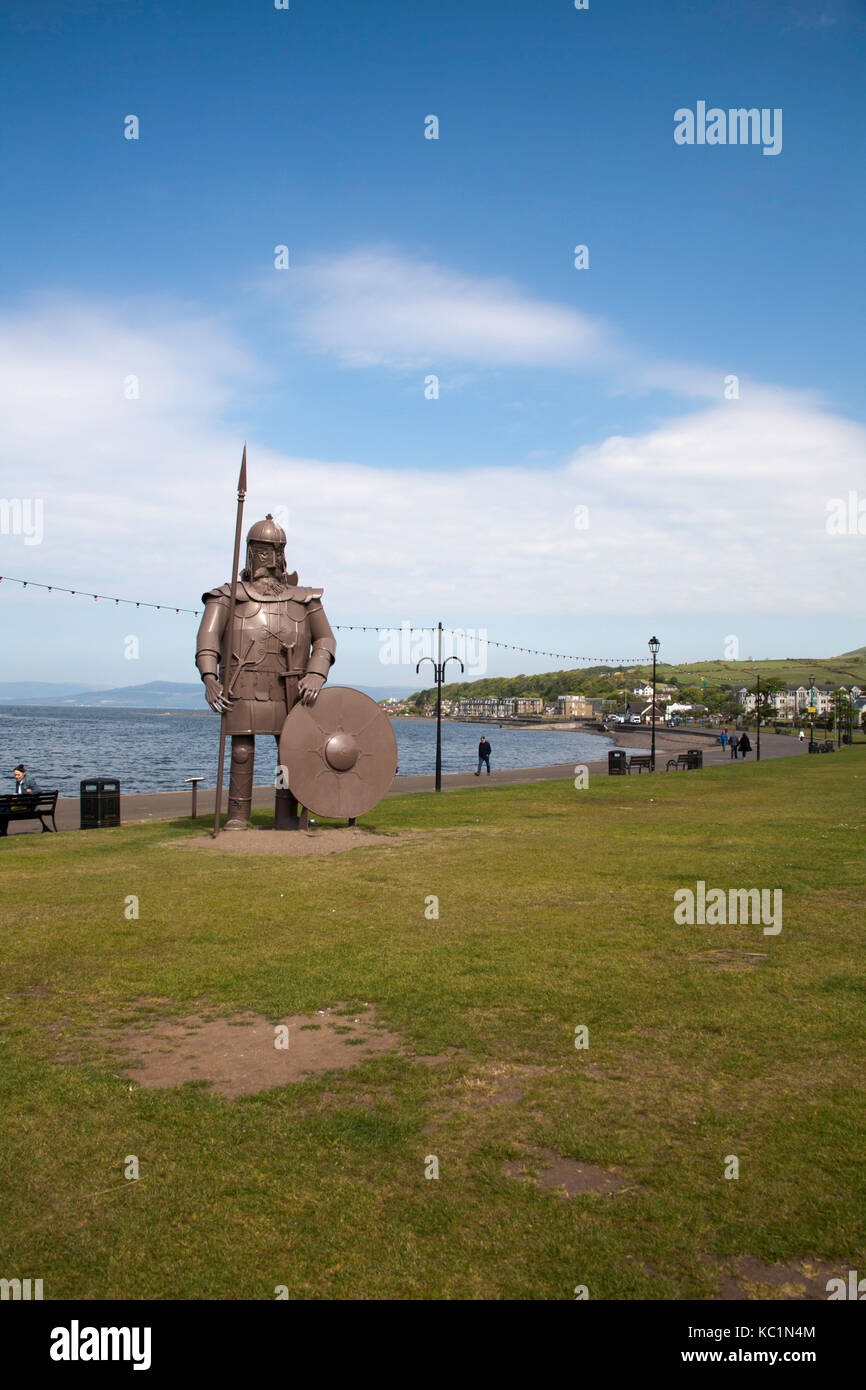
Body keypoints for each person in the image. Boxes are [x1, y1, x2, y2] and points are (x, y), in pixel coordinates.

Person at [1, 765, 42, 837]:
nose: (16, 777)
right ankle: (3, 831)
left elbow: (39, 790)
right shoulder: (18, 781)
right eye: (15, 775)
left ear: (24, 773)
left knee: (4, 809)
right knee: (3, 806)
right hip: (21, 803)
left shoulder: (29, 780)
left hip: (27, 805)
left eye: (18, 775)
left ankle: (3, 832)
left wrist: (31, 792)